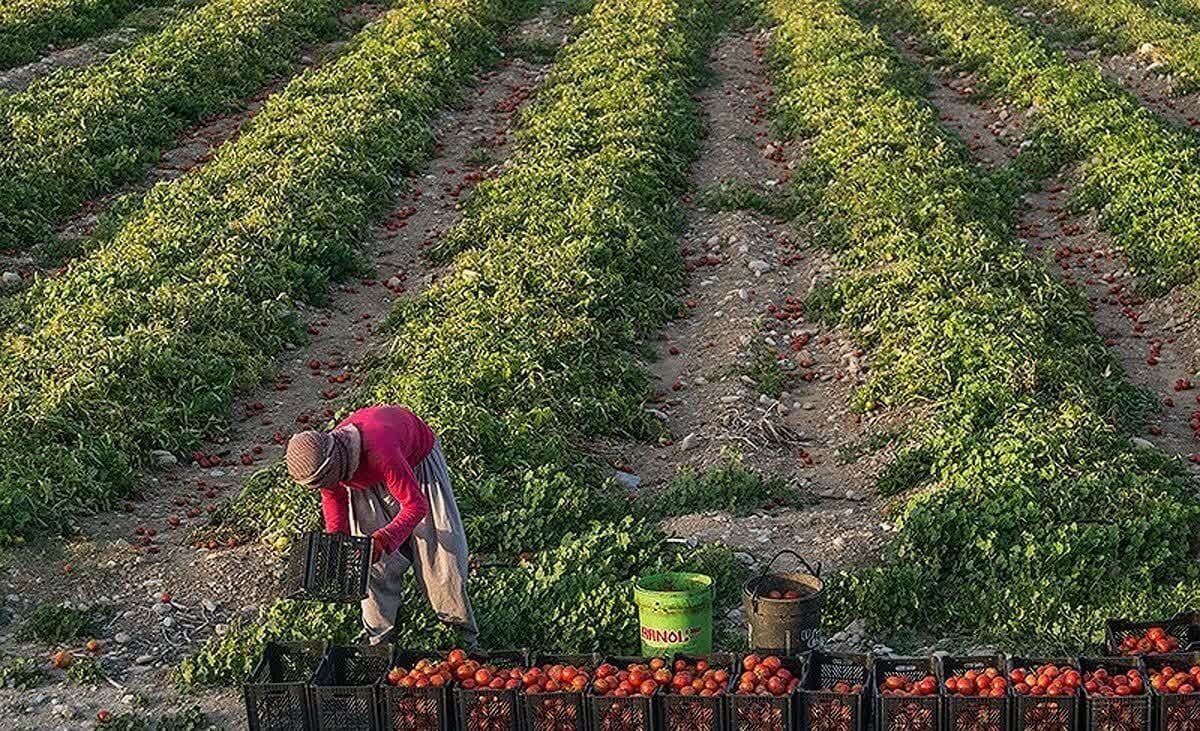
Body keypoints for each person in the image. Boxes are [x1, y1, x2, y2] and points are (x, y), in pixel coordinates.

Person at [285, 404, 478, 647]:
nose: (324, 486)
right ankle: (381, 644)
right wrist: (338, 545)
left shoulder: (379, 450)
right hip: (364, 476)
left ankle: (462, 640)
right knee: (368, 563)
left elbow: (416, 505)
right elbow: (333, 498)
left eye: (324, 481)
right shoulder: (326, 458)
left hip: (416, 465)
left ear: (334, 465)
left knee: (440, 556)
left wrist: (384, 539)